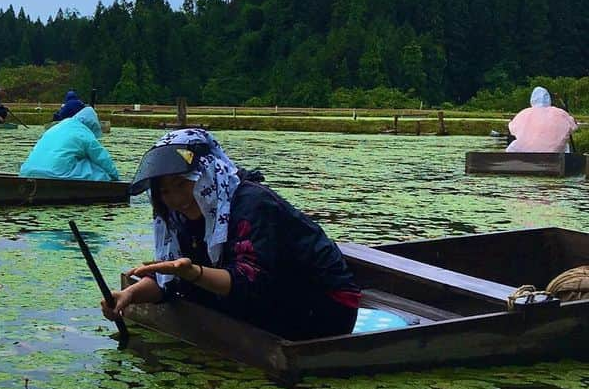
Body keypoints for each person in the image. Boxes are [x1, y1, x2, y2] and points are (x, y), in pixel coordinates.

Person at [100, 128, 359, 340]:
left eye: (182, 184)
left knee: (200, 295)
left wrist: (193, 274)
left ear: (207, 176)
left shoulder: (252, 204)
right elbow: (173, 279)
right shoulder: (181, 214)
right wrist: (130, 296)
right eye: (165, 191)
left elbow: (250, 282)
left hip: (323, 305)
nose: (176, 199)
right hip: (266, 299)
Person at [19, 106, 119, 182]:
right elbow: (102, 158)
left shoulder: (57, 127)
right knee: (97, 170)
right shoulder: (84, 133)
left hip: (27, 172)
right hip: (55, 174)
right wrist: (115, 177)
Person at [506, 86, 578, 153]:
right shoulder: (560, 113)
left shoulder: (523, 113)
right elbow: (574, 126)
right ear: (549, 99)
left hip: (526, 155)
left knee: (513, 146)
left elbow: (512, 128)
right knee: (565, 146)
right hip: (554, 156)